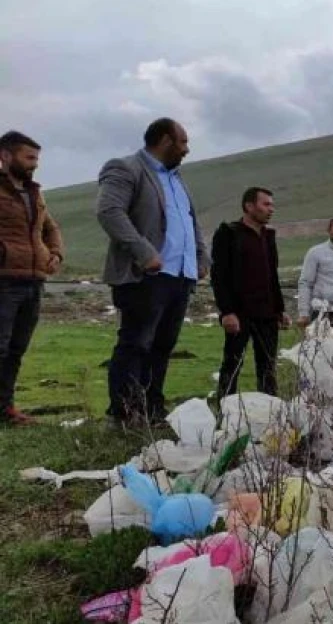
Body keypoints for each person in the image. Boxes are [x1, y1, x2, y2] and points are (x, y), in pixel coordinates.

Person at [97, 118, 209, 427]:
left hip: (180, 276)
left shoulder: (177, 179)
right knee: (136, 344)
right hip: (145, 275)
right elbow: (109, 212)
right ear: (163, 140)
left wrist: (201, 258)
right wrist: (144, 252)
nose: (187, 149)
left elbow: (190, 222)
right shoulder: (126, 168)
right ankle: (123, 413)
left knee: (162, 347)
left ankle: (151, 409)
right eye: (182, 142)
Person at [0, 131, 64, 426]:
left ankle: (6, 409)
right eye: (29, 158)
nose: (34, 164)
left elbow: (51, 228)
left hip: (33, 280)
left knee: (16, 348)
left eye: (37, 159)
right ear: (6, 156)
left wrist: (56, 254)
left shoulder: (35, 193)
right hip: (4, 279)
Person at [211, 187, 289, 399]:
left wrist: (280, 309)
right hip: (239, 312)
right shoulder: (228, 233)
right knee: (232, 364)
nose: (271, 209)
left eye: (272, 205)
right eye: (266, 204)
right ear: (249, 206)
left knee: (268, 366)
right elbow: (219, 276)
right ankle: (225, 412)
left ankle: (271, 412)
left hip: (267, 312)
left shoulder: (268, 236)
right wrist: (227, 311)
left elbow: (272, 275)